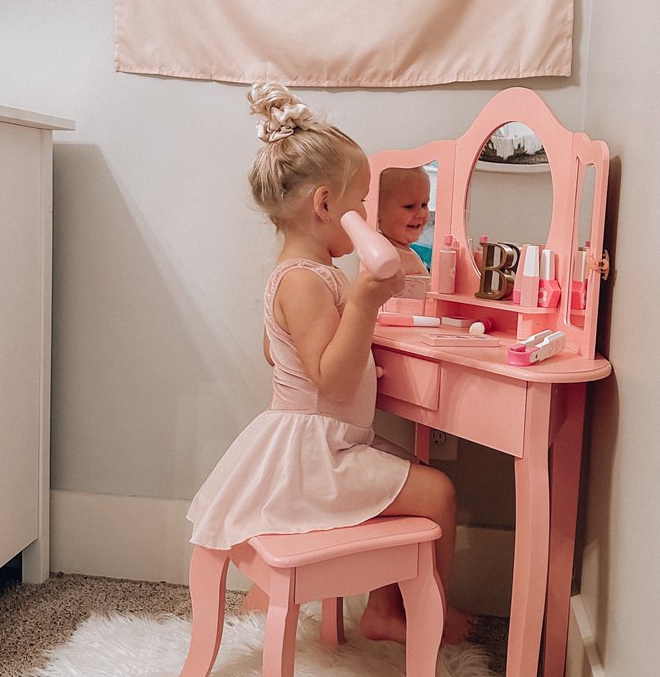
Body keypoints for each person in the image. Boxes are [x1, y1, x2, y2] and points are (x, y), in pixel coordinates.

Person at [186, 81, 472, 646]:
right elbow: (332, 380)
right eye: (359, 203)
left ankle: (383, 608)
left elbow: (277, 353)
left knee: (405, 471)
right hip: (315, 459)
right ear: (324, 206)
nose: (365, 213)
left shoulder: (299, 273)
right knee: (437, 492)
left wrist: (356, 328)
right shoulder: (308, 281)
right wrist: (363, 304)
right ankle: (421, 615)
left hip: (322, 443)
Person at [377, 167, 431, 275]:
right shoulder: (386, 256)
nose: (421, 213)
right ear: (377, 211)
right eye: (409, 206)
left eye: (424, 204)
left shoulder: (406, 252)